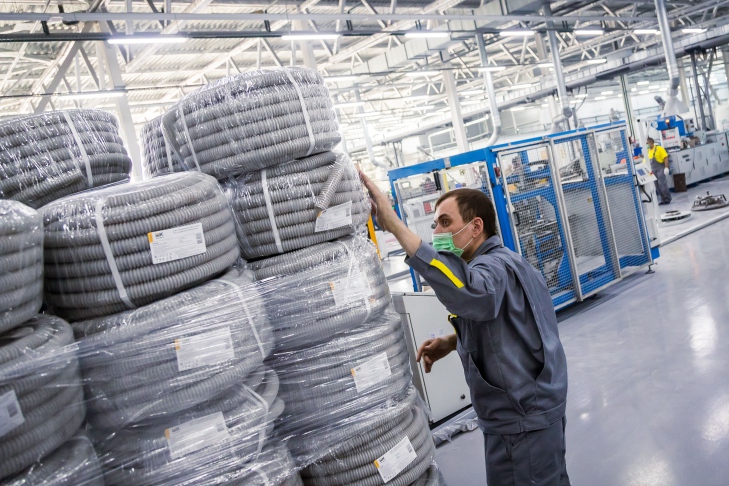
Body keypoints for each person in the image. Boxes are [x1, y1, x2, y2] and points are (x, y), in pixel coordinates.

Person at [360, 173, 570, 486]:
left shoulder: (492, 268)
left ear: (476, 226)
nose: (437, 232)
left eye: (446, 222)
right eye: (435, 225)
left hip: (520, 421)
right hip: (536, 411)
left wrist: (395, 226)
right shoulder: (510, 261)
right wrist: (451, 341)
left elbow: (470, 293)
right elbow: (510, 326)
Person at [646, 137, 672, 205]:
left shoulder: (659, 148)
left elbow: (665, 157)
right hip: (653, 170)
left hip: (660, 169)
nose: (647, 145)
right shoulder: (648, 151)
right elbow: (646, 161)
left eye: (647, 143)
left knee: (662, 184)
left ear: (651, 142)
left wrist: (666, 167)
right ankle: (663, 199)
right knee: (657, 186)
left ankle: (667, 198)